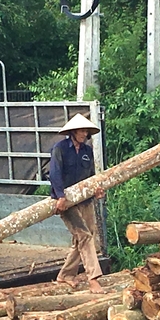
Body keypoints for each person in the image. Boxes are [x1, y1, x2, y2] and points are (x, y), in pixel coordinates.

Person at [49, 113, 106, 294]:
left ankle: (65, 275)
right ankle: (94, 278)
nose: (84, 133)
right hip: (66, 201)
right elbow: (55, 173)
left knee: (85, 236)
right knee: (84, 236)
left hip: (85, 199)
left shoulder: (87, 151)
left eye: (86, 131)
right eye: (81, 130)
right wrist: (60, 197)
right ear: (73, 132)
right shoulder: (60, 149)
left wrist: (97, 189)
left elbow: (91, 175)